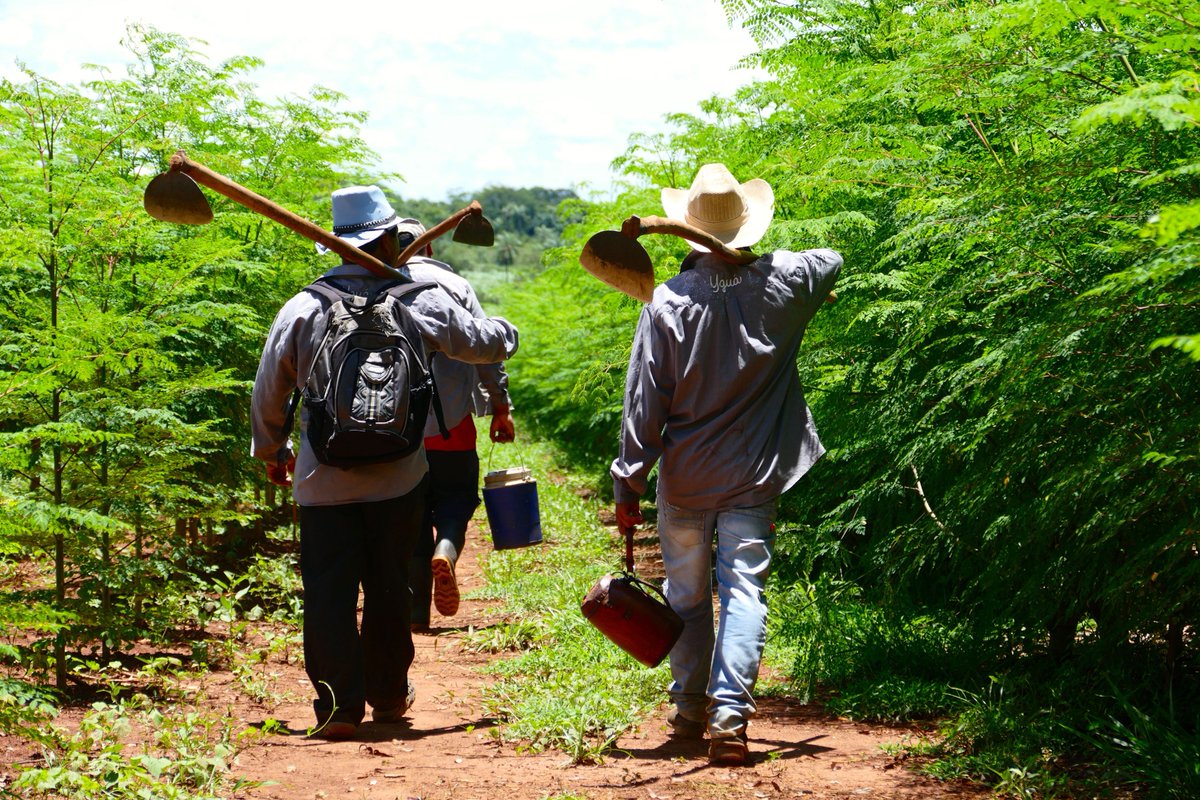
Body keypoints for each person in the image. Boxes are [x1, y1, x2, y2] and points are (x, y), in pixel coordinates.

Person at [251, 185, 519, 740]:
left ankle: (338, 707)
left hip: (322, 479)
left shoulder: (305, 306)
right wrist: (508, 336)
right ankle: (390, 697)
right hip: (400, 475)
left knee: (327, 591)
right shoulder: (418, 299)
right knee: (390, 584)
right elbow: (480, 343)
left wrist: (272, 449)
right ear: (391, 237)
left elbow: (269, 387)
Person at [609, 163, 841, 766]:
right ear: (748, 227)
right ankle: (730, 718)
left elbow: (645, 400)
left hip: (685, 480)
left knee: (685, 594)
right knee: (744, 591)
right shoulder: (786, 284)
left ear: (689, 232)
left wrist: (628, 479)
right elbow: (830, 258)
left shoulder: (666, 302)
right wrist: (752, 263)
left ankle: (689, 710)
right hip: (754, 478)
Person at [397, 221, 516, 630]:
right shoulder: (456, 286)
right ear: (428, 250)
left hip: (398, 433)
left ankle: (415, 615)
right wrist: (500, 407)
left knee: (408, 515)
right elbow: (487, 349)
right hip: (454, 426)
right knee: (456, 500)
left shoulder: (379, 285)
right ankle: (446, 547)